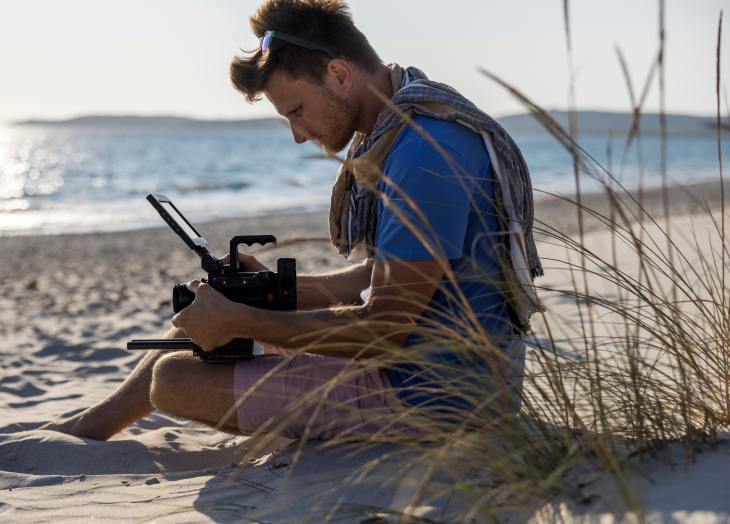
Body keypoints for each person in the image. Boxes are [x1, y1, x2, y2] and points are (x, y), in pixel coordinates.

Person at [42, 0, 543, 442]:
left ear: (340, 75)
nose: (299, 135)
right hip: (427, 366)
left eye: (297, 110)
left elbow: (385, 328)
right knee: (207, 318)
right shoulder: (411, 125)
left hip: (439, 397)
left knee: (174, 381)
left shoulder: (422, 154)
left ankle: (93, 428)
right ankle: (94, 424)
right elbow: (382, 278)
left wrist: (244, 321)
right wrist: (271, 290)